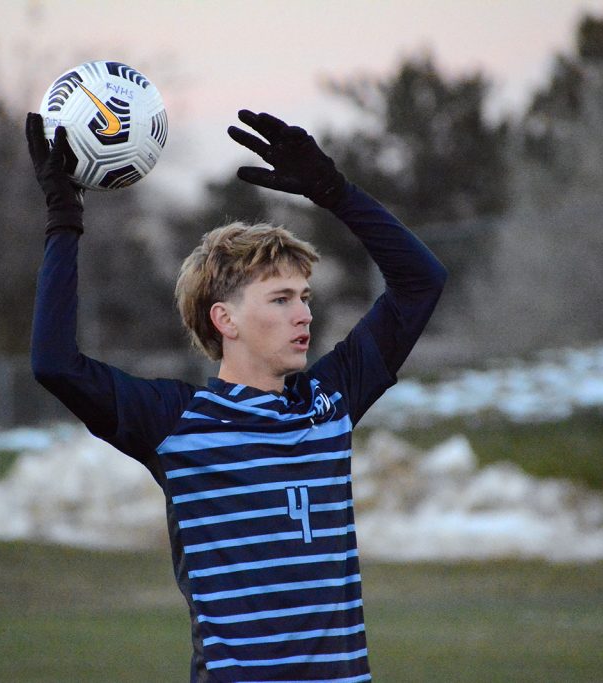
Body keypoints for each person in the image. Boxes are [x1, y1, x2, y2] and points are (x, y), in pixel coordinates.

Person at [27, 109, 447, 682]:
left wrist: (336, 193)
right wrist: (63, 217)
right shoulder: (177, 425)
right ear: (224, 319)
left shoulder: (330, 401)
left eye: (304, 295)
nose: (304, 313)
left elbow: (422, 282)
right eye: (280, 299)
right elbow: (54, 362)